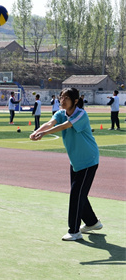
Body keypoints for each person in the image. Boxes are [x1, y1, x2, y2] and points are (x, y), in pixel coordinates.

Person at [30, 87, 102, 241]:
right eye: (61, 97)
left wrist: (43, 134)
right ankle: (92, 222)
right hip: (76, 160)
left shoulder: (81, 114)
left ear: (75, 101)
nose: (62, 100)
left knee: (76, 194)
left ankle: (74, 231)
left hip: (89, 160)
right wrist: (37, 131)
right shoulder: (61, 113)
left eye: (66, 98)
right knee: (79, 193)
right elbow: (51, 123)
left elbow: (65, 126)